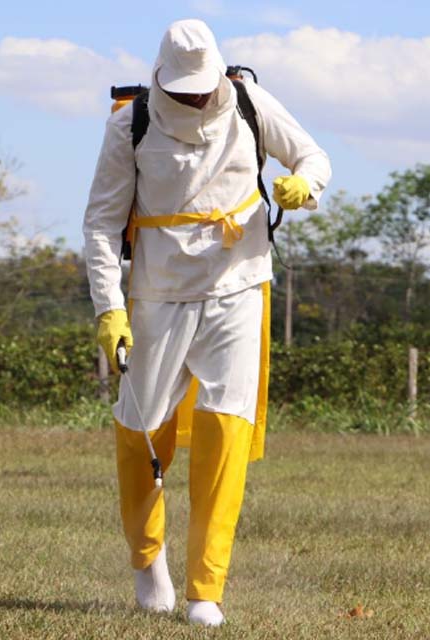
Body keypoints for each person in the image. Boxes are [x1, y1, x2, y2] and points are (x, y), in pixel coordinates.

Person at [82, 19, 331, 626]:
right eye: (184, 87)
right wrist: (109, 309)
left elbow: (313, 154)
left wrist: (305, 183)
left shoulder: (248, 100)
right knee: (141, 429)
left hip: (238, 286)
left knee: (227, 429)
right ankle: (148, 563)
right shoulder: (131, 124)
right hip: (159, 293)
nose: (196, 96)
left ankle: (205, 591)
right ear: (162, 78)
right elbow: (99, 224)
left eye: (203, 85)